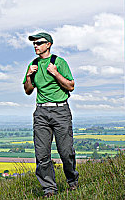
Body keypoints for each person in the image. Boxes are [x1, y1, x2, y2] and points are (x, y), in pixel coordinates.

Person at [23, 32, 79, 197]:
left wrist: (55, 73)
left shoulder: (59, 63)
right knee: (42, 154)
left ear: (48, 44)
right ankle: (49, 189)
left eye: (39, 43)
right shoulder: (33, 64)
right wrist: (28, 76)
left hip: (60, 110)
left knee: (66, 151)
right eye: (34, 43)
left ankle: (72, 182)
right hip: (41, 112)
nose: (35, 46)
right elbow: (28, 91)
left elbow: (70, 86)